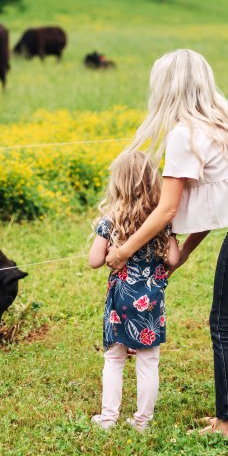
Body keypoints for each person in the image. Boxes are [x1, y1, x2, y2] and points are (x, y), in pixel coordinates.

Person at [106, 49, 228, 438]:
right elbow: (216, 203)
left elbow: (165, 210)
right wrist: (185, 254)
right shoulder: (226, 125)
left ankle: (227, 425)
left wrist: (124, 250)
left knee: (225, 325)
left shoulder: (183, 135)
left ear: (167, 88)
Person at [88, 151, 180, 432]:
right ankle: (142, 422)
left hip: (120, 300)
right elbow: (174, 260)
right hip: (151, 300)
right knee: (148, 361)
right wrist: (171, 237)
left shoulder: (109, 220)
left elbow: (94, 261)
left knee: (114, 358)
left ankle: (108, 419)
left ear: (117, 184)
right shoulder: (162, 222)